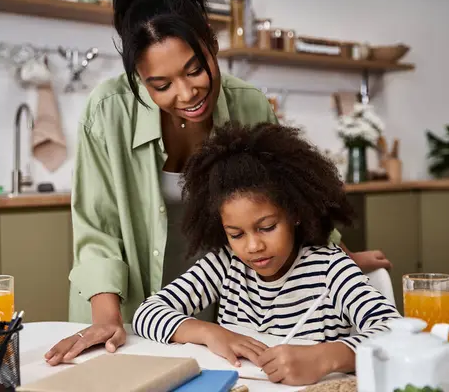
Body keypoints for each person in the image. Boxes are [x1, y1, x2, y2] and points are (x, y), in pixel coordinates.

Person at [44, 0, 391, 366]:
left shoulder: (249, 104)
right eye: (161, 85)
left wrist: (333, 256)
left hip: (218, 320)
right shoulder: (107, 111)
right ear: (139, 78)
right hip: (132, 314)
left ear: (211, 39)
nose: (187, 92)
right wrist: (109, 321)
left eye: (195, 69)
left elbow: (288, 188)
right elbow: (97, 230)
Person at [132, 122, 401, 386]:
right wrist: (209, 332)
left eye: (267, 227)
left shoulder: (331, 269)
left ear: (295, 213)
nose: (253, 246)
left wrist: (326, 358)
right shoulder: (225, 264)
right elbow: (147, 314)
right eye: (236, 234)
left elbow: (395, 333)